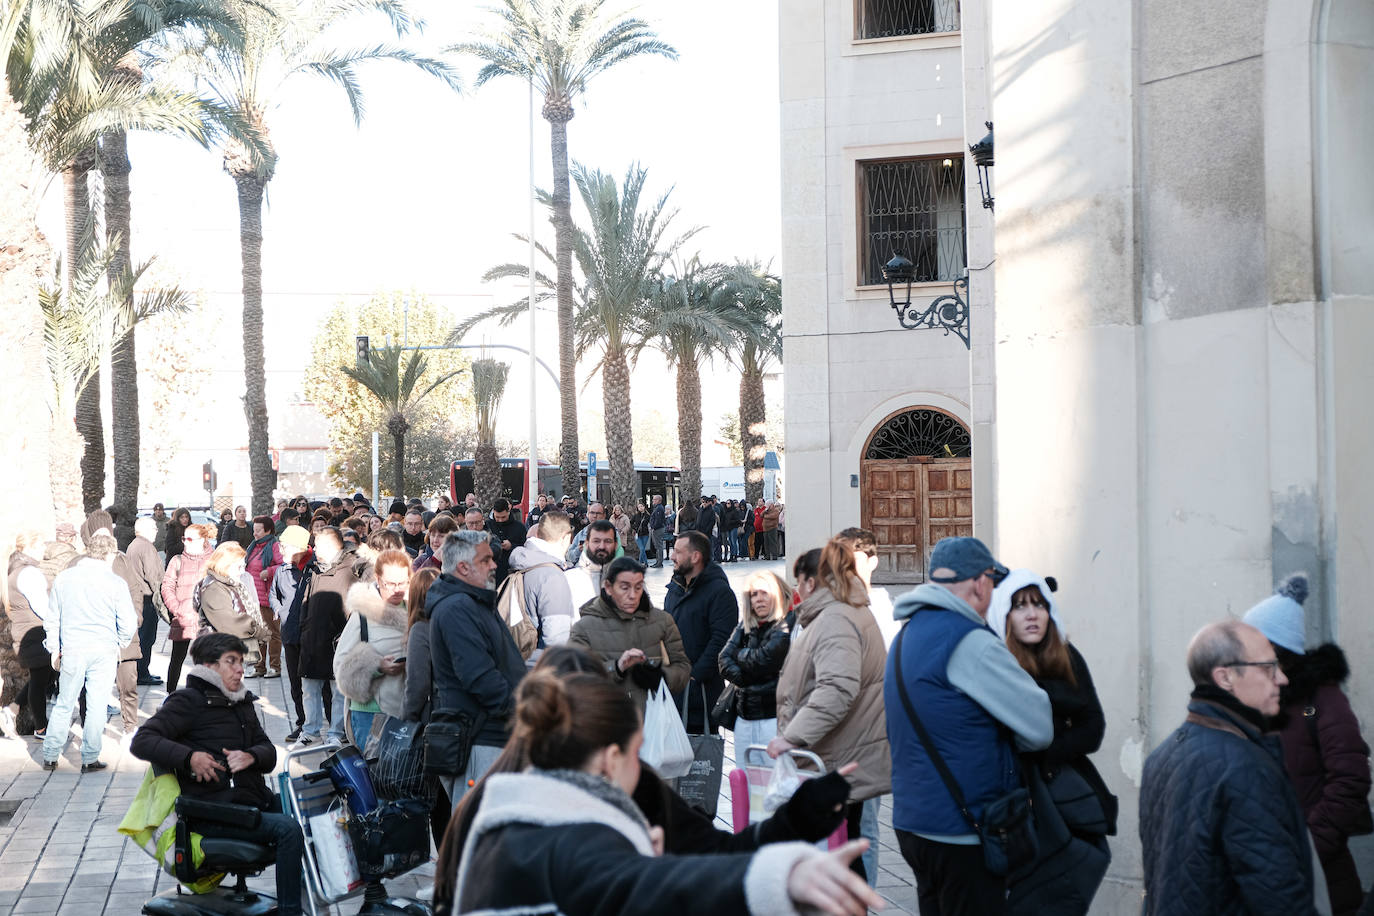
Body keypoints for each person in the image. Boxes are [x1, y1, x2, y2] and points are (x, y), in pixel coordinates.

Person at [452, 666, 882, 916]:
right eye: (639, 752)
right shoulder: (558, 837)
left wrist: (800, 814)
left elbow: (714, 853)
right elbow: (648, 884)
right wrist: (783, 878)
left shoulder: (511, 810)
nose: (644, 766)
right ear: (609, 758)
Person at [884, 537, 1051, 913]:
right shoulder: (970, 641)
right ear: (980, 583)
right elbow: (1040, 727)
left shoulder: (905, 636)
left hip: (913, 821)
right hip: (963, 828)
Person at [1140, 620, 1318, 916]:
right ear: (1225, 678)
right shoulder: (1245, 766)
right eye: (1268, 667)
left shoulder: (1162, 756)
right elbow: (1279, 896)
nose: (1282, 678)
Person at [130, 633, 305, 916]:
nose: (240, 669)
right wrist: (190, 758)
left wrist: (253, 756)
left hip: (249, 802)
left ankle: (309, 898)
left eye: (240, 662)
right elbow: (142, 740)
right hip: (213, 811)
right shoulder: (188, 701)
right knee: (287, 829)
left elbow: (269, 753)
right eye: (231, 662)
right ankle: (290, 911)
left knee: (308, 812)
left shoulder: (241, 701)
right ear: (209, 667)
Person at [1243, 574, 1371, 915]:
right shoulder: (1249, 699)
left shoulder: (1320, 699)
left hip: (1321, 883)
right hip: (1260, 880)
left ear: (1275, 649)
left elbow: (1351, 778)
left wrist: (1307, 847)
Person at [988, 570, 1113, 915]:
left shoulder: (1067, 656)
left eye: (1039, 605)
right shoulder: (999, 663)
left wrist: (1047, 752)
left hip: (1061, 793)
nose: (1031, 614)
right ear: (1005, 615)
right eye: (1020, 606)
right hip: (1015, 802)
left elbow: (1094, 727)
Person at [769, 536, 891, 883]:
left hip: (842, 760)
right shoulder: (836, 612)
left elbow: (837, 689)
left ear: (811, 582)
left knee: (843, 858)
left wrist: (792, 736)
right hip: (840, 758)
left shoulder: (836, 618)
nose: (796, 590)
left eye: (798, 581)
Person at [427, 529, 526, 810]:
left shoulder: (473, 601)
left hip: (492, 737)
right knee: (480, 836)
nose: (494, 565)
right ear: (463, 567)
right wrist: (526, 711)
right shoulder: (457, 608)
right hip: (479, 741)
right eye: (486, 560)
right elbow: (480, 678)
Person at [42, 532, 137, 771]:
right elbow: (128, 621)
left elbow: (52, 617)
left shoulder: (65, 578)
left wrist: (54, 648)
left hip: (73, 647)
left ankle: (51, 754)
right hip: (103, 648)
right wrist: (120, 643)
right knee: (96, 702)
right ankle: (89, 756)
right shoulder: (115, 582)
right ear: (110, 554)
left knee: (65, 702)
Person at [569, 557, 690, 712]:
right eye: (624, 588)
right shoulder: (584, 628)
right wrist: (616, 668)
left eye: (638, 587)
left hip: (654, 722)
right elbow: (574, 677)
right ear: (608, 587)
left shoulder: (662, 621)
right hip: (604, 723)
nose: (632, 595)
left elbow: (682, 667)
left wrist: (661, 677)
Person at [332, 550, 409, 744]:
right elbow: (340, 667)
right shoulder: (362, 613)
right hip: (370, 712)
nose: (397, 589)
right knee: (374, 772)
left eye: (402, 583)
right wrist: (377, 666)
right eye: (390, 584)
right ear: (378, 579)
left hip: (408, 708)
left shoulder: (416, 610)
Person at [664, 530, 737, 732]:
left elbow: (722, 640)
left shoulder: (719, 592)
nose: (671, 556)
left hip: (701, 695)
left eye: (678, 552)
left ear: (695, 556)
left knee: (700, 760)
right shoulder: (675, 588)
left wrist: (694, 676)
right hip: (672, 692)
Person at [294, 527, 360, 748]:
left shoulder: (351, 568)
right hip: (312, 637)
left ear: (332, 545)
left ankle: (336, 731)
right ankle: (310, 730)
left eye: (318, 544)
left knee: (338, 691)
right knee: (309, 689)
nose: (314, 549)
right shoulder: (314, 568)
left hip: (338, 639)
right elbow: (306, 600)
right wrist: (303, 627)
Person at [718, 571, 792, 751]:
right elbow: (723, 658)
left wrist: (740, 654)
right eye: (754, 594)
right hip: (744, 715)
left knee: (772, 776)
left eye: (764, 593)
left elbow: (764, 659)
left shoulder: (786, 623)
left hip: (773, 716)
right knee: (745, 775)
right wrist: (747, 679)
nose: (759, 599)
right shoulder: (747, 624)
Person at [504, 509, 578, 664]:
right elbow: (558, 640)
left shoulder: (524, 562)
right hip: (540, 668)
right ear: (566, 537)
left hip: (518, 659)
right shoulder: (551, 576)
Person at [193, 543, 267, 670]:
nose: (242, 571)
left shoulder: (230, 583)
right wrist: (257, 631)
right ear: (225, 565)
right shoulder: (214, 587)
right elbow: (229, 623)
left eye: (243, 566)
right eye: (238, 567)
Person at [270, 524, 313, 741]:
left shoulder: (314, 569)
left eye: (284, 547)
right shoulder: (282, 570)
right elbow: (273, 594)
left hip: (312, 636)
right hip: (289, 632)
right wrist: (277, 609)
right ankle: (302, 722)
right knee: (295, 683)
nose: (281, 551)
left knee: (317, 683)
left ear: (300, 548)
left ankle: (328, 726)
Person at [161, 522, 215, 692]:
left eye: (190, 538)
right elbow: (167, 586)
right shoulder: (177, 560)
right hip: (182, 617)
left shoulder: (213, 560)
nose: (185, 542)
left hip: (206, 619)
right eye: (184, 538)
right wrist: (176, 608)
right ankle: (170, 694)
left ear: (202, 540)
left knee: (207, 660)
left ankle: (206, 696)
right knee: (177, 659)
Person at [8, 531, 52, 736]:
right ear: (30, 547)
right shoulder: (28, 572)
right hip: (34, 632)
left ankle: (13, 709)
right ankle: (41, 727)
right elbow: (42, 606)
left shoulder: (17, 569)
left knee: (43, 677)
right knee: (40, 678)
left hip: (26, 630)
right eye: (41, 545)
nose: (44, 549)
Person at [127, 518, 165, 686]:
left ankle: (141, 671)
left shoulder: (134, 544)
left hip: (137, 597)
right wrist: (163, 593)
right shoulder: (146, 547)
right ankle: (142, 672)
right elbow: (152, 575)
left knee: (142, 637)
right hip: (146, 598)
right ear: (145, 530)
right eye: (154, 528)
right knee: (146, 638)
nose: (156, 530)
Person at [243, 516, 282, 679]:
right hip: (252, 598)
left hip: (268, 598)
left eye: (258, 530)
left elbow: (283, 565)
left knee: (272, 633)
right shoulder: (253, 547)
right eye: (254, 530)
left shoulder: (274, 546)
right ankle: (257, 666)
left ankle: (274, 666)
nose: (255, 533)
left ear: (268, 530)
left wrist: (270, 571)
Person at [567, 519, 619, 609]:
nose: (602, 546)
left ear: (616, 545)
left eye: (607, 541)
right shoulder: (569, 580)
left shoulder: (629, 578)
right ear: (586, 544)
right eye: (596, 541)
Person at [486, 497, 528, 587]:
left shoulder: (519, 527)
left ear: (509, 511)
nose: (500, 520)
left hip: (512, 573)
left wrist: (512, 546)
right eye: (497, 517)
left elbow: (525, 549)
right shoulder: (487, 526)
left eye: (503, 517)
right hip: (490, 574)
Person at [648, 494, 668, 568]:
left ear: (659, 500)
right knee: (657, 546)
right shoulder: (657, 508)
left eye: (654, 499)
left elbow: (658, 520)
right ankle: (658, 562)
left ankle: (659, 562)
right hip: (657, 529)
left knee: (659, 546)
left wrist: (653, 527)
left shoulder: (659, 508)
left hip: (658, 529)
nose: (653, 501)